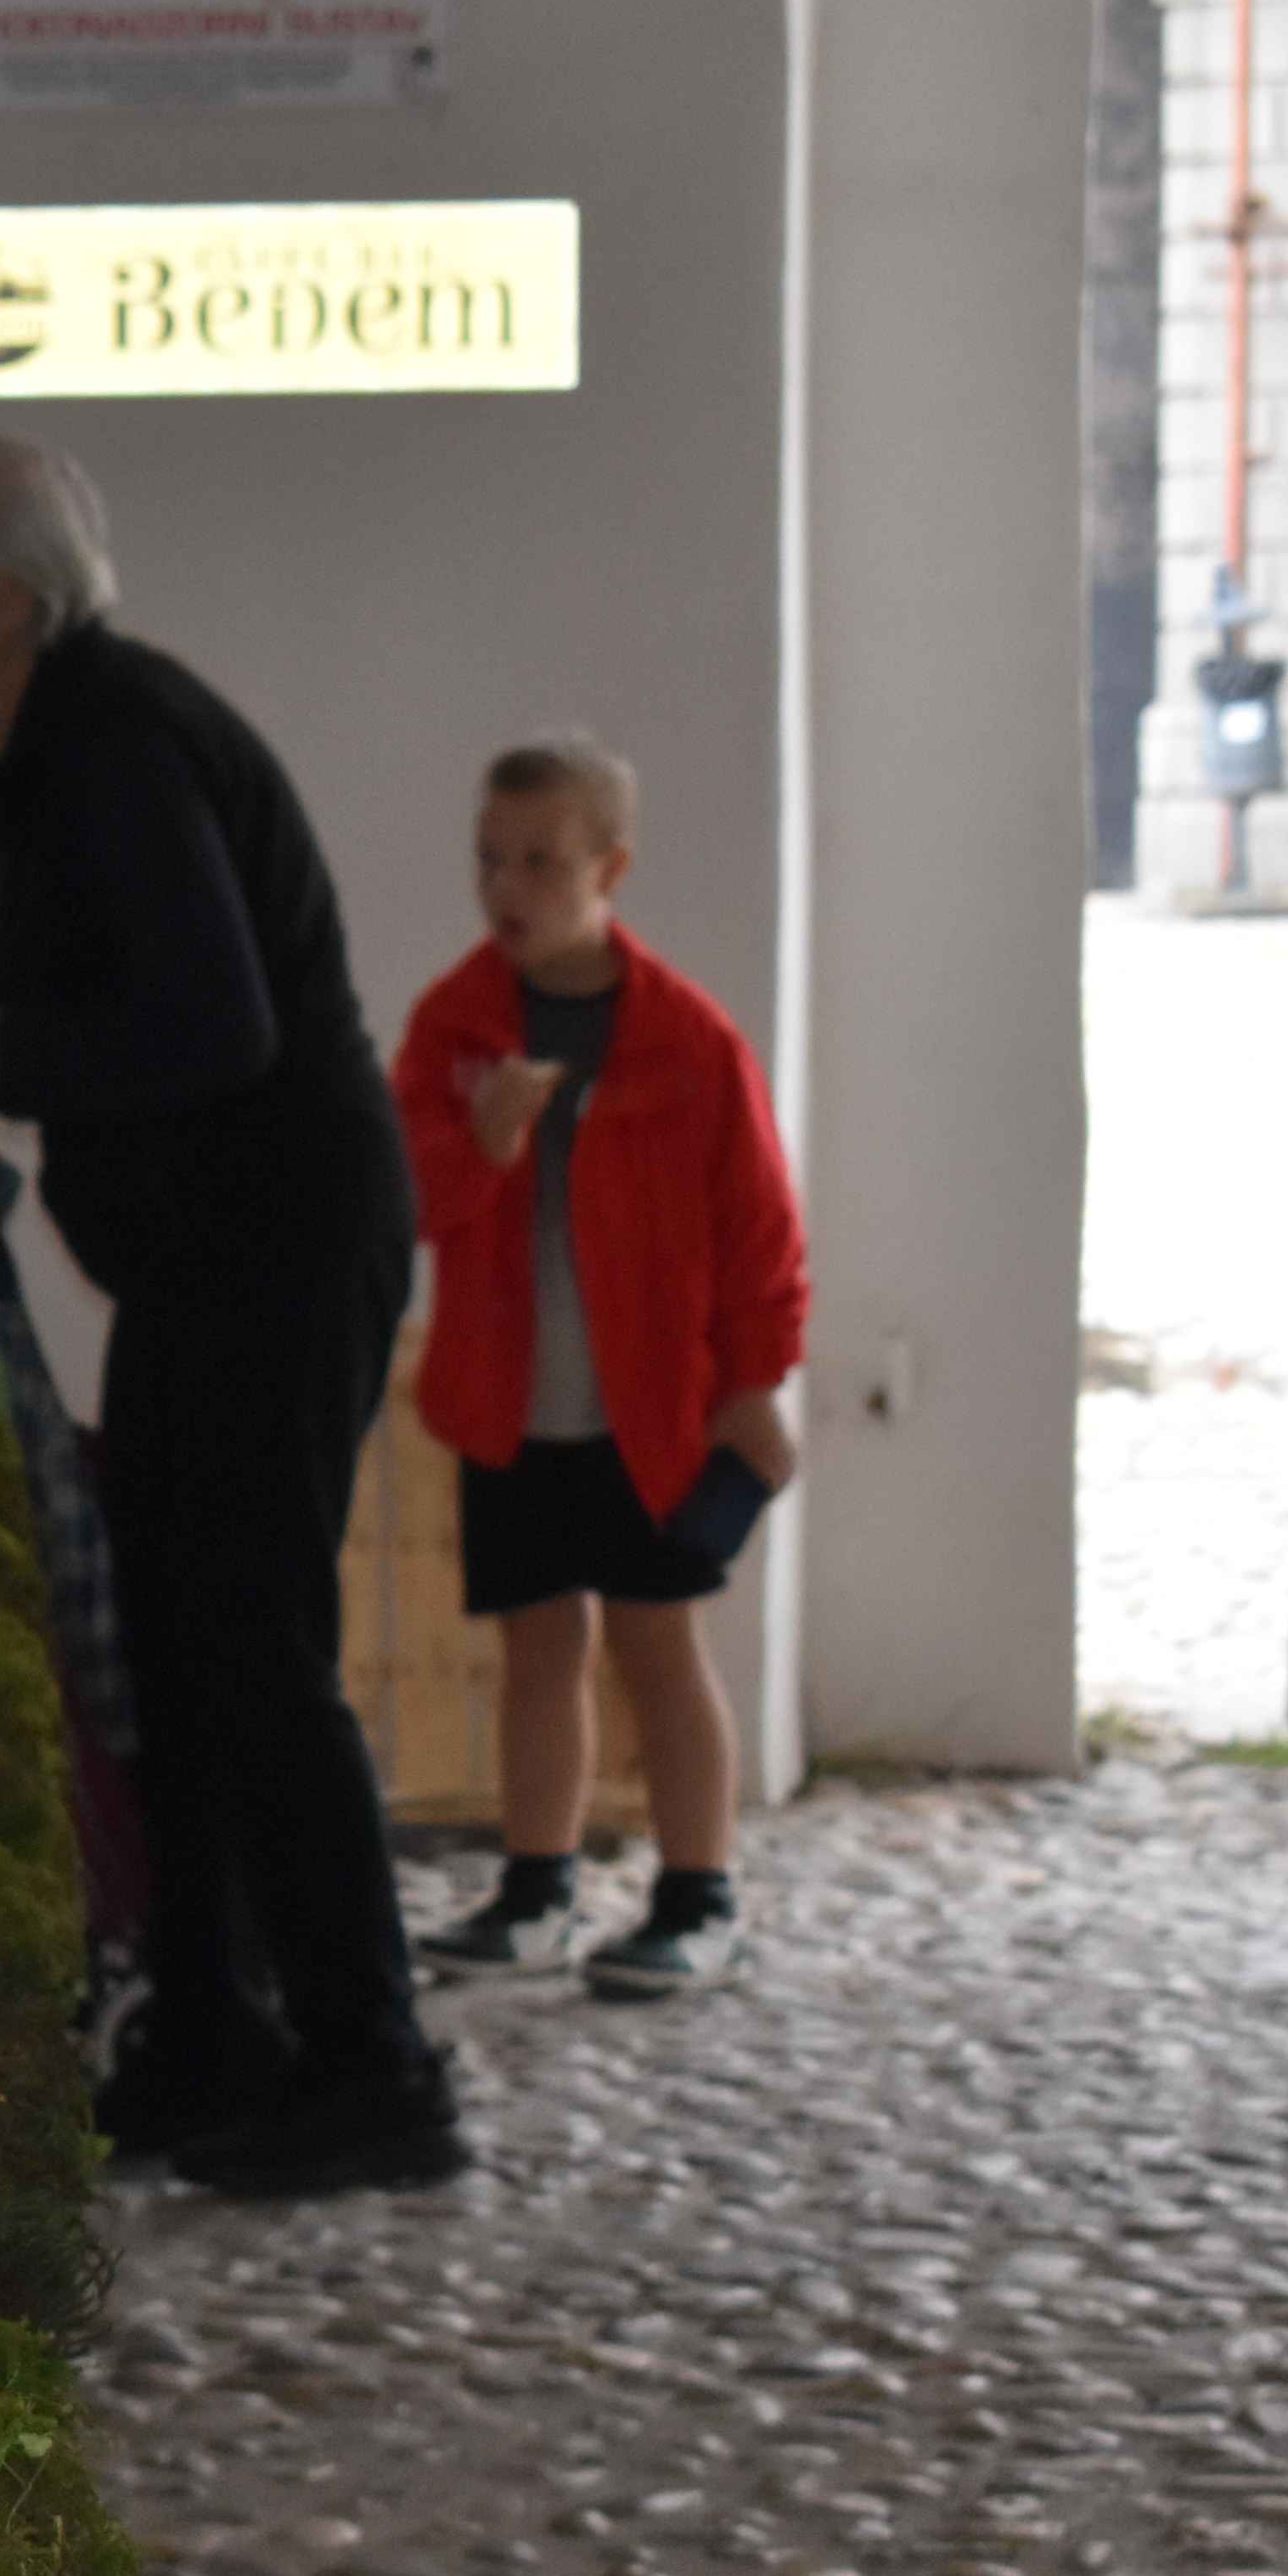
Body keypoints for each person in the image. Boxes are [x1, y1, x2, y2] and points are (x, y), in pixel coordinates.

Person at [0, 435, 457, 2197]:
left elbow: (213, 1023)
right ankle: (207, 2037)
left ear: (11, 591)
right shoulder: (42, 754)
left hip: (282, 1242)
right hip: (214, 1261)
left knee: (252, 1647)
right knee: (177, 1649)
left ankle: (375, 2064)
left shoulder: (112, 739)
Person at [390, 736, 808, 1996]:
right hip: (509, 1406)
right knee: (536, 1649)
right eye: (489, 859)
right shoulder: (454, 1024)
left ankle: (699, 1895)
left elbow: (760, 1227)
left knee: (657, 1646)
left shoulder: (688, 1039)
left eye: (541, 861)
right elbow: (404, 1198)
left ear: (609, 870)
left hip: (652, 1413)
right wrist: (480, 1146)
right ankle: (537, 1892)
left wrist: (755, 1381)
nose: (506, 887)